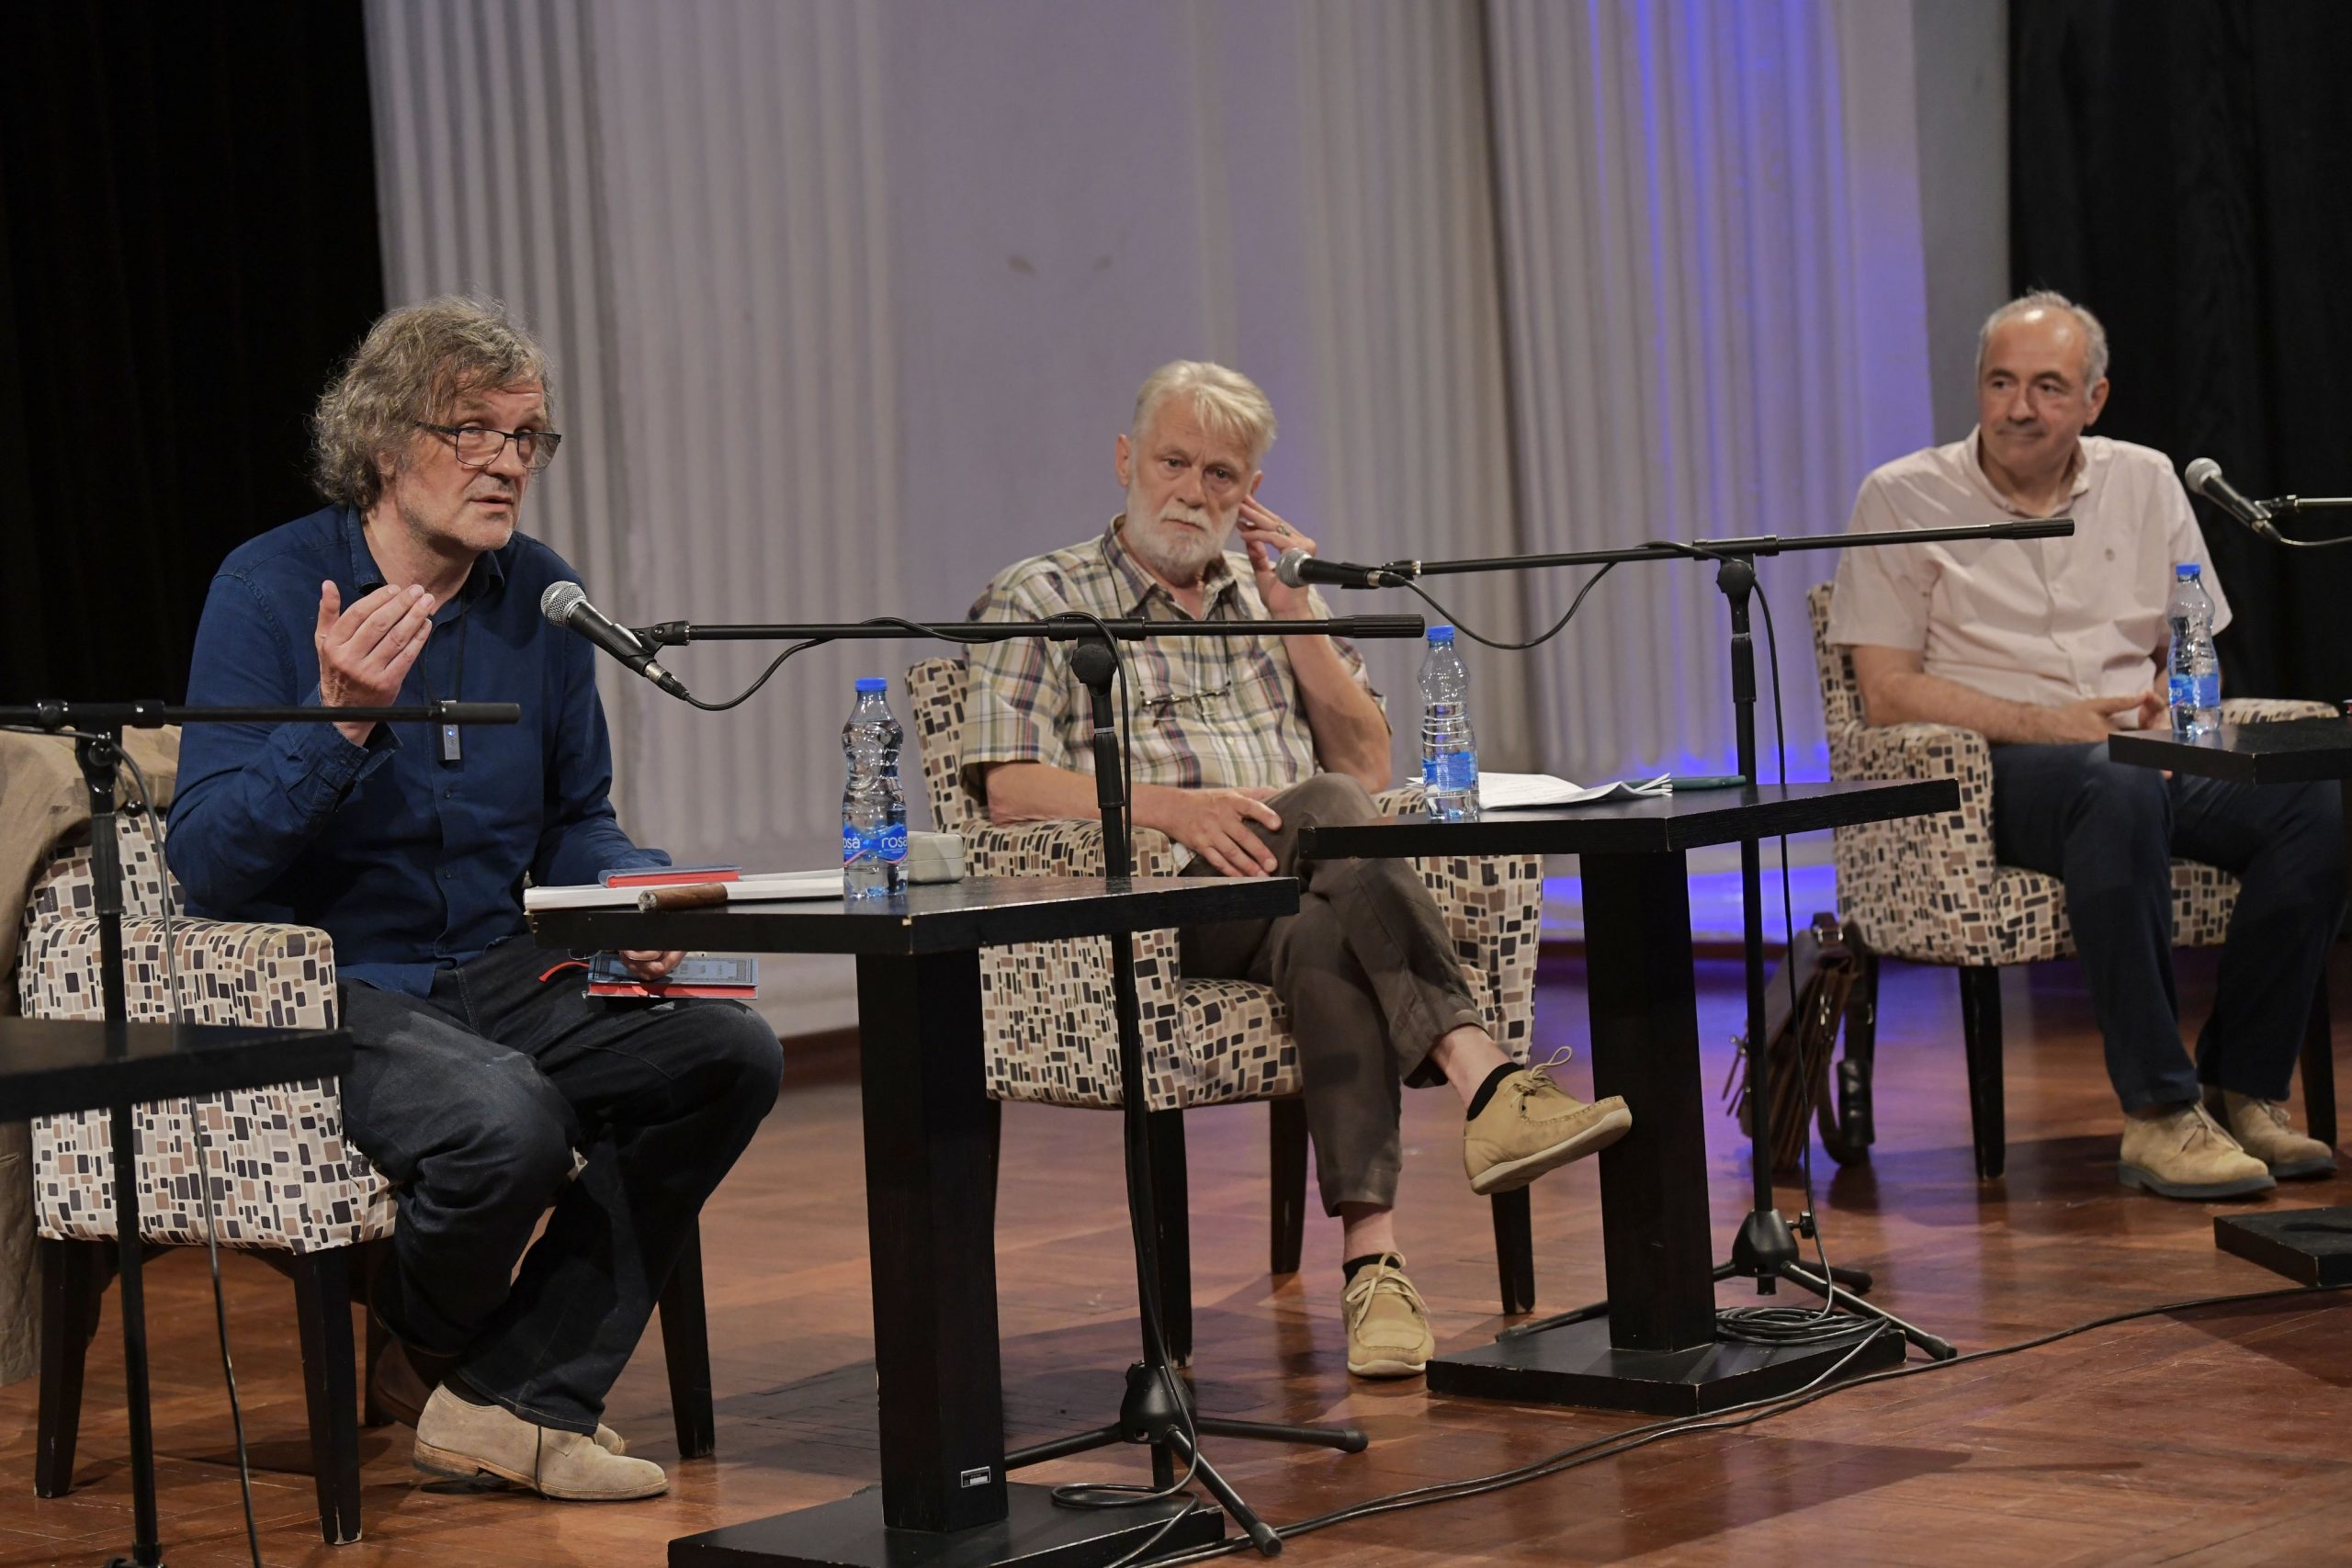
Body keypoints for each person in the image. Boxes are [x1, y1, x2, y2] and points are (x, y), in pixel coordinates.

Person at [168, 297, 783, 1500]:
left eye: (528, 437)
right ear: (389, 445)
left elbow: (578, 818)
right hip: (329, 980)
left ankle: (516, 1392)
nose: (509, 461)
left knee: (728, 1047)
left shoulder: (540, 595)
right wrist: (341, 719)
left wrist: (633, 892)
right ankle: (440, 1351)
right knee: (508, 1118)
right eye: (476, 432)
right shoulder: (270, 586)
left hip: (504, 965)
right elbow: (209, 860)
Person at [961, 360, 1630, 1378]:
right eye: (1175, 461)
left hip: (1301, 884)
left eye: (1222, 475)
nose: (1193, 492)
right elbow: (1006, 788)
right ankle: (1482, 1077)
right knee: (1324, 812)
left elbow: (1366, 763)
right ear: (1125, 460)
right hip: (1153, 897)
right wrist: (1168, 808)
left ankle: (1374, 1266)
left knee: (1329, 909)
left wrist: (1301, 614)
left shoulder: (1264, 596)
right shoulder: (1041, 594)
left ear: (1252, 492)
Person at [1829, 290, 2342, 1200]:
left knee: (2310, 800)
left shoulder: (2143, 481)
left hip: (2134, 753)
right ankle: (2155, 1113)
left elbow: (2191, 644)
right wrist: (2052, 723)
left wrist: (2172, 705)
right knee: (2113, 785)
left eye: (2046, 387)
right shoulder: (1902, 495)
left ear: (2092, 401)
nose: (2018, 408)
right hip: (1991, 772)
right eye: (2000, 382)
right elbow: (1885, 690)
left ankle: (2242, 1086)